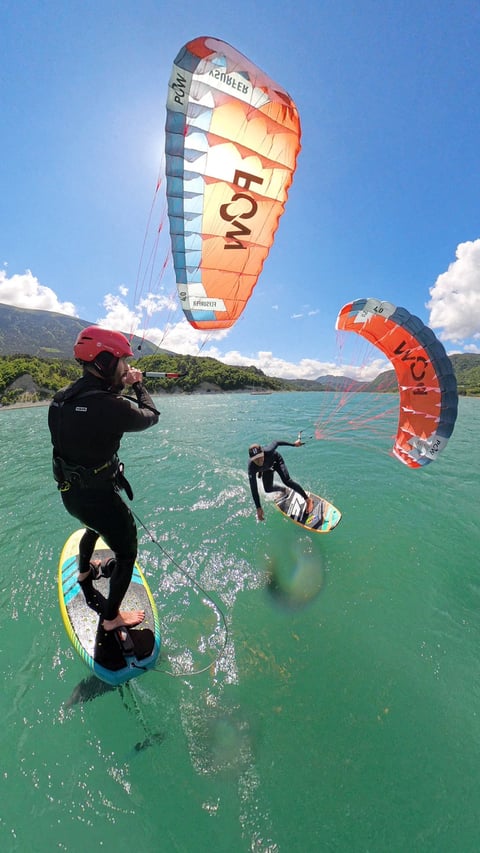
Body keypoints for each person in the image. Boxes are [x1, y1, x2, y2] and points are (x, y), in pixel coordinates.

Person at [48, 325, 160, 632]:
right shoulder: (111, 406)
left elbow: (91, 416)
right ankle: (111, 618)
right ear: (105, 362)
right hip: (99, 498)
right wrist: (137, 385)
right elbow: (151, 415)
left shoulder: (60, 399)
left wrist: (117, 388)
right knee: (126, 551)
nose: (126, 366)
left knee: (91, 528)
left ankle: (84, 573)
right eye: (122, 360)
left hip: (70, 495)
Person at [248, 439, 314, 521]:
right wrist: (258, 508)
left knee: (287, 481)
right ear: (251, 459)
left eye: (260, 457)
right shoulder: (251, 468)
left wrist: (294, 444)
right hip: (266, 469)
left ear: (263, 453)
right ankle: (283, 490)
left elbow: (277, 442)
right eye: (255, 459)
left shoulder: (268, 450)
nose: (259, 461)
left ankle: (308, 500)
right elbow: (254, 489)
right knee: (268, 489)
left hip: (276, 462)